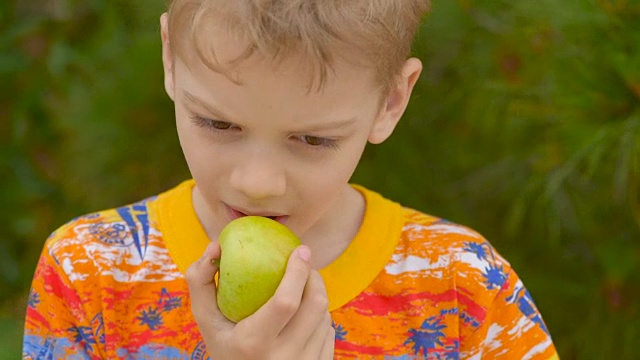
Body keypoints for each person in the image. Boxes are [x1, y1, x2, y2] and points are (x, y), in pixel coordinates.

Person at [22, 0, 559, 359]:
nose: (257, 184)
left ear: (392, 100)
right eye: (218, 123)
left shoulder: (463, 287)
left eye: (313, 139)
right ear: (170, 57)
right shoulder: (90, 274)